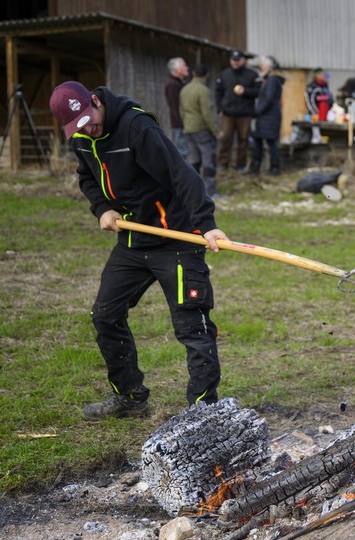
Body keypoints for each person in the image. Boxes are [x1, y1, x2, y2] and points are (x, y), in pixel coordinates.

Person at [49, 81, 229, 420]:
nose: (89, 129)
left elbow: (182, 175)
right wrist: (102, 208)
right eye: (79, 127)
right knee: (105, 315)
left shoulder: (136, 127)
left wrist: (207, 225)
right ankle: (129, 397)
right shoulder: (83, 139)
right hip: (133, 241)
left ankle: (205, 412)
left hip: (177, 238)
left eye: (90, 119)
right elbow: (86, 177)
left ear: (96, 101)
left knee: (192, 326)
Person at [215, 49, 260, 173]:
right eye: (233, 60)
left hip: (245, 114)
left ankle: (240, 165)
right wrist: (219, 109)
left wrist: (245, 91)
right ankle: (223, 164)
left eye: (237, 60)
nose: (235, 62)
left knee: (243, 140)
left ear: (243, 60)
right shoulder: (225, 74)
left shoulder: (252, 75)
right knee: (225, 139)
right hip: (227, 113)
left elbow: (258, 92)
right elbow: (218, 92)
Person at [180, 63, 220, 200]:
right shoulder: (203, 90)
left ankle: (192, 191)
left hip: (189, 128)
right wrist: (215, 130)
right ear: (206, 75)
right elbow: (207, 113)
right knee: (208, 160)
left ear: (193, 73)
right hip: (202, 129)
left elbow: (182, 110)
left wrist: (185, 124)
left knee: (193, 161)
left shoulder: (185, 89)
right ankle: (210, 191)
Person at [250, 56, 284, 176]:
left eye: (262, 64)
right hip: (265, 116)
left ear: (269, 67)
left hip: (269, 116)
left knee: (271, 142)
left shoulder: (273, 80)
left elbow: (268, 99)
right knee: (258, 140)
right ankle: (256, 166)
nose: (260, 66)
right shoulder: (267, 79)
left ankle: (274, 167)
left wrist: (257, 111)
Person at [164, 57, 189, 159]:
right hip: (180, 123)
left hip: (185, 122)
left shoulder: (180, 82)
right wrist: (182, 124)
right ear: (178, 70)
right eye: (184, 66)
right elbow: (174, 106)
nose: (187, 68)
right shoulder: (172, 85)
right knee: (183, 149)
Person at [305, 67, 334, 144]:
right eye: (321, 74)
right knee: (315, 124)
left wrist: (330, 108)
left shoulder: (325, 85)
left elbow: (329, 98)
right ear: (316, 76)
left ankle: (323, 137)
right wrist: (314, 112)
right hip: (315, 112)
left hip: (325, 112)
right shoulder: (312, 86)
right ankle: (316, 137)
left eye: (323, 74)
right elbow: (309, 100)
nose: (323, 76)